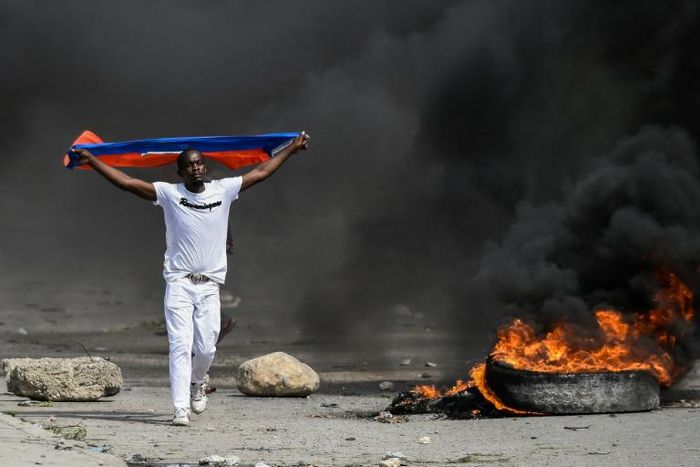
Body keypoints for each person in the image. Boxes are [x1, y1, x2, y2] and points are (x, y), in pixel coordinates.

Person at [71, 132, 310, 426]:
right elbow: (128, 183)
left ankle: (198, 382)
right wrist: (93, 160)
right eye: (189, 165)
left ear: (205, 167)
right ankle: (180, 407)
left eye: (199, 163)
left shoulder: (223, 190)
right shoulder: (170, 194)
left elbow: (260, 173)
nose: (196, 168)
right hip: (179, 283)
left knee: (207, 348)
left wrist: (291, 150)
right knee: (180, 345)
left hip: (209, 285)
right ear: (180, 172)